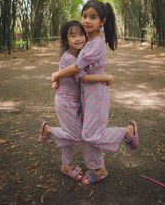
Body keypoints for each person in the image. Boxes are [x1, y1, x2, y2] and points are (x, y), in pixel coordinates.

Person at [51, 0, 139, 184]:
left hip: (96, 95)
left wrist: (56, 75)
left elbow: (77, 69)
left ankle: (127, 131)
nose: (87, 20)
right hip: (86, 94)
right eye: (84, 16)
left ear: (102, 21)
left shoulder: (95, 44)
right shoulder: (88, 41)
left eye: (93, 17)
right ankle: (98, 169)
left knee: (90, 134)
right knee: (87, 133)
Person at [38, 20, 114, 181]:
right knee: (75, 135)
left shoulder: (81, 54)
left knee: (70, 136)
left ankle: (66, 165)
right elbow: (82, 75)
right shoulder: (68, 58)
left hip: (77, 101)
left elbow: (63, 73)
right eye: (73, 36)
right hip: (66, 101)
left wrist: (55, 78)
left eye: (81, 34)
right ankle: (48, 130)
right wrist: (106, 77)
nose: (79, 38)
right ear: (66, 40)